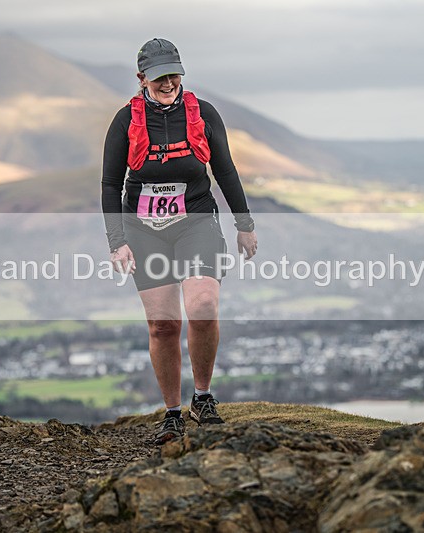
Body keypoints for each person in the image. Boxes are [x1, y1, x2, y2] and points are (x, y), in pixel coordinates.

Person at [101, 38, 258, 445]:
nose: (168, 82)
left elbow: (225, 170)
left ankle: (202, 398)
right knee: (164, 326)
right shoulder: (124, 121)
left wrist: (244, 223)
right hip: (142, 228)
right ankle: (172, 413)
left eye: (173, 75)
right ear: (142, 79)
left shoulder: (203, 114)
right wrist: (116, 240)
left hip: (196, 221)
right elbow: (109, 183)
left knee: (203, 304)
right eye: (159, 77)